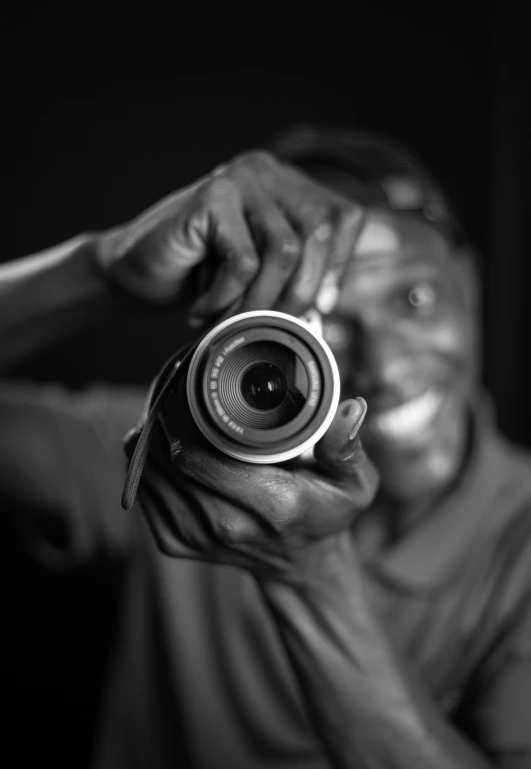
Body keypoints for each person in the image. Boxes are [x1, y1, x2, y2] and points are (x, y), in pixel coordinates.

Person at [1, 126, 530, 769]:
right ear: (263, 338)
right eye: (329, 322)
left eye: (413, 298)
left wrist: (309, 577)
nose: (386, 367)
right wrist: (104, 269)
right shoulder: (170, 459)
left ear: (468, 283)